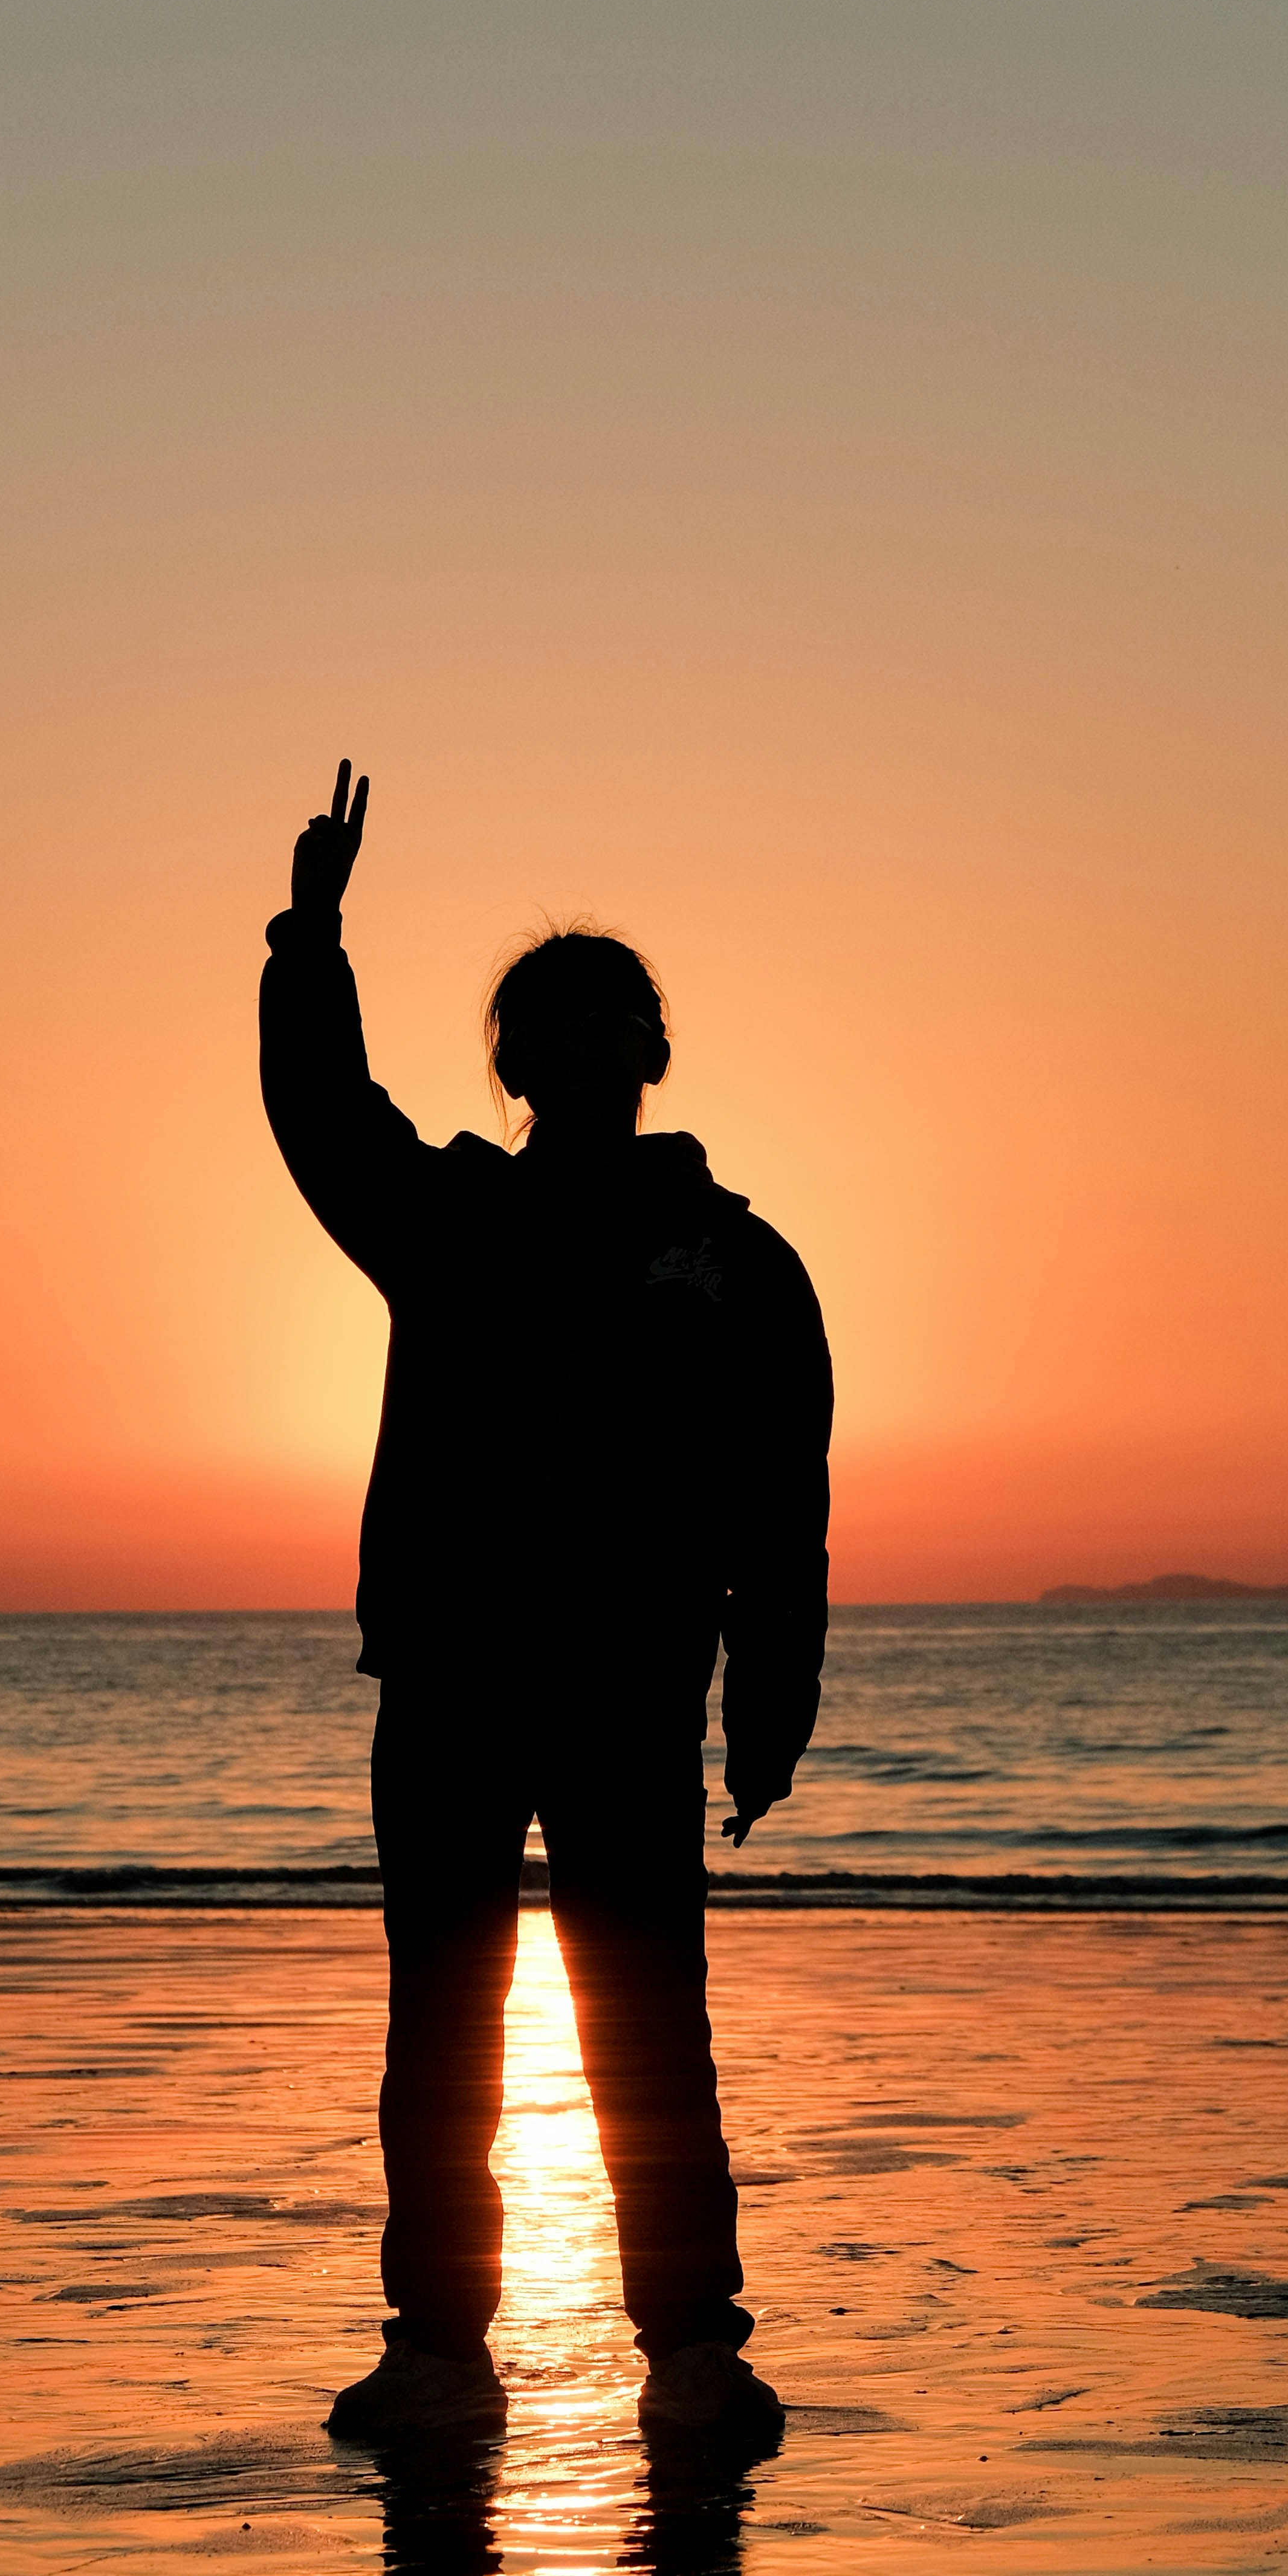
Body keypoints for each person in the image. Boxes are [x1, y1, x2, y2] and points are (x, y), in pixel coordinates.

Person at [260, 760, 832, 2443]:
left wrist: (771, 1704)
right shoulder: (448, 1222)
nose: (582, 1051)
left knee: (646, 2025)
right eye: (549, 1030)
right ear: (513, 1065)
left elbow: (783, 1503)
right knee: (443, 2022)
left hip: (631, 1690)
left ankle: (694, 2347)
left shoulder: (736, 1263)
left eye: (610, 1025)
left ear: (652, 1053)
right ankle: (440, 2346)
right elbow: (326, 1114)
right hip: (451, 1680)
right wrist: (309, 943)